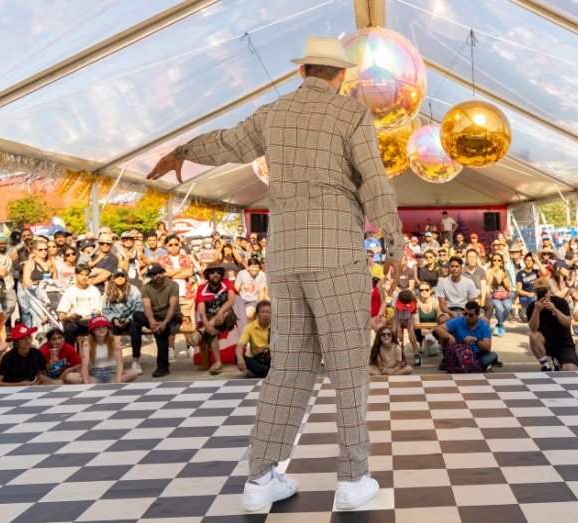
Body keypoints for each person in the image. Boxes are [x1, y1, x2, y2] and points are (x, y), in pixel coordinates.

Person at [149, 36, 403, 512]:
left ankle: (262, 477)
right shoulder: (351, 114)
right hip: (336, 254)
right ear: (341, 75)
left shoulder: (274, 113)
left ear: (301, 70)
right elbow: (373, 180)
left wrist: (182, 149)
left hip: (285, 255)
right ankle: (352, 479)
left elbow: (225, 143)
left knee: (290, 366)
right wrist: (393, 241)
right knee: (348, 366)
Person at [195, 262, 237, 375]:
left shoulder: (227, 283)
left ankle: (200, 332)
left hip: (227, 317)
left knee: (226, 313)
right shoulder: (201, 288)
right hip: (209, 320)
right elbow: (202, 312)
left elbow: (231, 301)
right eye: (212, 272)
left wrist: (221, 311)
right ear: (208, 274)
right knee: (211, 333)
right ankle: (218, 363)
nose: (216, 274)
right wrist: (207, 326)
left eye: (218, 272)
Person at [140, 262, 182, 378]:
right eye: (154, 274)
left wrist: (165, 322)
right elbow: (147, 307)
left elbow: (173, 306)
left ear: (163, 273)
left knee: (161, 332)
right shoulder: (146, 287)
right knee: (137, 316)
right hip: (156, 317)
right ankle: (163, 367)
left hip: (172, 316)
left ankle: (162, 367)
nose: (157, 276)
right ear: (150, 276)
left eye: (159, 273)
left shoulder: (173, 285)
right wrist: (152, 321)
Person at [434, 300, 499, 372]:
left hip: (478, 355)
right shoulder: (458, 321)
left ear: (477, 315)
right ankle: (474, 366)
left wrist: (476, 340)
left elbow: (487, 348)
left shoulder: (484, 326)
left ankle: (467, 365)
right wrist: (449, 336)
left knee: (493, 355)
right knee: (444, 335)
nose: (467, 317)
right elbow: (438, 329)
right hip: (460, 354)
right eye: (465, 314)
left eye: (470, 315)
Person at [102, 269, 146, 374]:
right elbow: (105, 310)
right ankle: (117, 361)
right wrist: (114, 319)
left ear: (126, 277)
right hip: (116, 320)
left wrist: (129, 319)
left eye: (122, 276)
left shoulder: (134, 290)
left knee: (135, 330)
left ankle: (136, 361)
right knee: (112, 331)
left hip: (131, 319)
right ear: (113, 278)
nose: (120, 278)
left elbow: (139, 308)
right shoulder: (108, 291)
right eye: (117, 276)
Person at [529, 280, 578, 371]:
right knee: (533, 336)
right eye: (539, 291)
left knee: (571, 370)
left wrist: (554, 310)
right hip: (546, 342)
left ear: (550, 291)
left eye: (544, 290)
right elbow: (533, 328)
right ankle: (545, 366)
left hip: (564, 343)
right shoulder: (532, 306)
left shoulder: (560, 302)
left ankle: (558, 362)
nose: (543, 294)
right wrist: (536, 311)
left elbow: (568, 323)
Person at [56, 263, 102, 347]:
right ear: (76, 275)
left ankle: (98, 354)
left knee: (100, 325)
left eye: (86, 275)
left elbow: (98, 311)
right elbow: (61, 314)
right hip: (74, 321)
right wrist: (70, 317)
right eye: (81, 274)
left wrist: (93, 316)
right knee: (70, 327)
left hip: (90, 321)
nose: (84, 277)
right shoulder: (70, 291)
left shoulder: (94, 290)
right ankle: (70, 354)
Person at [82, 316, 138, 384]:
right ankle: (108, 385)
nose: (102, 329)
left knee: (133, 372)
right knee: (72, 377)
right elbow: (85, 364)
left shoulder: (114, 340)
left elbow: (119, 362)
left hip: (112, 372)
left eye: (104, 327)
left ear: (108, 328)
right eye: (98, 327)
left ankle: (109, 385)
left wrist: (117, 380)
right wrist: (86, 383)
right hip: (95, 374)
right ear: (93, 330)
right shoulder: (88, 343)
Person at [236, 300, 273, 378]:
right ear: (257, 314)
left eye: (268, 312)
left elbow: (283, 344)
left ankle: (260, 372)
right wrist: (239, 358)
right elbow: (239, 346)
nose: (266, 315)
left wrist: (265, 347)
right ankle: (268, 372)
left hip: (272, 359)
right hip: (257, 359)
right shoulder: (249, 327)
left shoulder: (276, 327)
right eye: (262, 312)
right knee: (237, 356)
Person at [486, 253, 513, 337]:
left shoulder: (505, 271)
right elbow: (488, 283)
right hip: (493, 293)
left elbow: (508, 286)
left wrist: (503, 276)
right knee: (498, 307)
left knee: (508, 307)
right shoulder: (488, 270)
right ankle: (501, 327)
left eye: (499, 260)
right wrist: (493, 272)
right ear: (492, 261)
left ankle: (498, 325)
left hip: (504, 293)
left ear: (502, 262)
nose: (497, 262)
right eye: (494, 260)